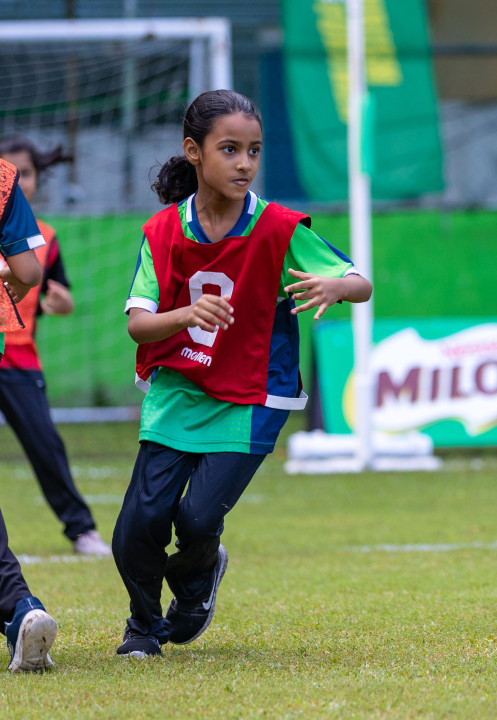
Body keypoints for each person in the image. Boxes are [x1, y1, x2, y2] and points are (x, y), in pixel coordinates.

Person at [114, 90, 372, 659]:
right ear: (194, 152)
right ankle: (142, 626)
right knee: (139, 523)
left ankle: (197, 580)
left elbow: (360, 283)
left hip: (255, 392)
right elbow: (139, 326)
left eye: (253, 151)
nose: (244, 163)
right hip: (180, 388)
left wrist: (335, 284)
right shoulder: (161, 232)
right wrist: (185, 314)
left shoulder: (280, 228)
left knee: (198, 515)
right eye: (229, 149)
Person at [0, 137, 109, 556]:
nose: (16, 182)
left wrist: (60, 303)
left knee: (45, 443)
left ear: (37, 180)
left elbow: (55, 295)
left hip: (19, 355)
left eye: (24, 173)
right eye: (11, 172)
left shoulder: (46, 236)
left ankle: (82, 530)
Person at [0, 155, 60, 671]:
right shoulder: (2, 178)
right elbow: (28, 271)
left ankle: (16, 605)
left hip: (23, 361)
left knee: (47, 446)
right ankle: (19, 608)